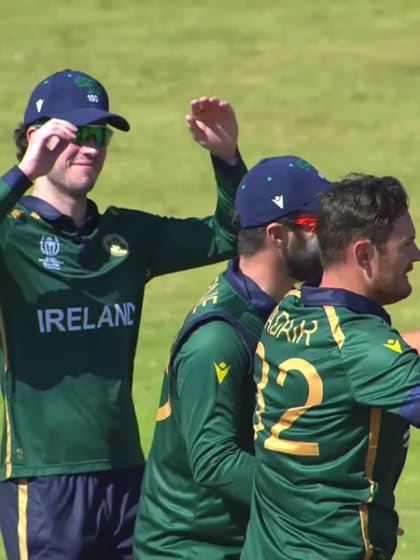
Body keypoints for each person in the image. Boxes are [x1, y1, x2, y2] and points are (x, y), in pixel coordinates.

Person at [0, 69, 247, 560]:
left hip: (129, 478)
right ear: (36, 137)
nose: (89, 148)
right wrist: (25, 172)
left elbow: (230, 234)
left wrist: (227, 159)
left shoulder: (127, 237)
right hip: (44, 484)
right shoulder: (11, 236)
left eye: (99, 136)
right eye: (72, 135)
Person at [134, 155, 334, 559]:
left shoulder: (279, 304)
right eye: (317, 227)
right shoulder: (216, 340)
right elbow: (215, 461)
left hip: (244, 539)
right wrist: (320, 508)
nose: (331, 239)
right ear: (277, 235)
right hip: (193, 549)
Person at [241, 173, 420, 560]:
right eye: (406, 245)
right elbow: (376, 358)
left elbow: (380, 353)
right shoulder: (361, 349)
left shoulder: (290, 311)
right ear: (364, 255)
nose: (417, 255)